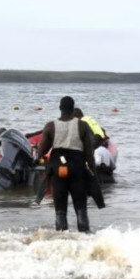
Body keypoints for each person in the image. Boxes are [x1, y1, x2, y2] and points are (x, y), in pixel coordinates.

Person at [38, 96, 97, 232]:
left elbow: (42, 151)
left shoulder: (50, 126)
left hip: (59, 171)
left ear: (60, 108)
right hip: (78, 171)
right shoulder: (83, 126)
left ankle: (62, 242)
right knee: (81, 210)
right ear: (72, 108)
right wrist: (93, 175)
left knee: (60, 212)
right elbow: (89, 154)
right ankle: (85, 240)